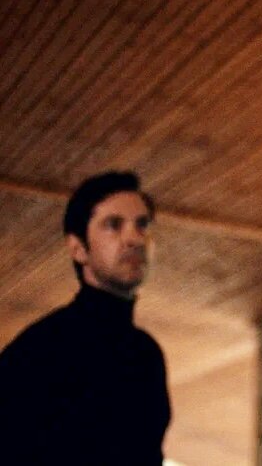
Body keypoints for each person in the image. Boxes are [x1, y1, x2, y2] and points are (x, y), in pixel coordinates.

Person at [0, 171, 171, 465]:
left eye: (142, 224)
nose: (134, 238)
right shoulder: (40, 349)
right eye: (113, 225)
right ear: (78, 248)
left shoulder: (146, 354)